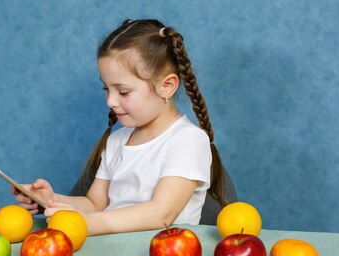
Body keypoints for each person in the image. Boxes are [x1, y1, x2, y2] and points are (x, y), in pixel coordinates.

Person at [13, 19, 230, 235]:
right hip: (112, 253)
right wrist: (52, 200)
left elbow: (160, 214)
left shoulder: (188, 140)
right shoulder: (117, 140)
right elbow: (95, 204)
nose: (110, 101)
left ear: (167, 86)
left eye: (123, 92)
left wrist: (85, 224)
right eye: (106, 88)